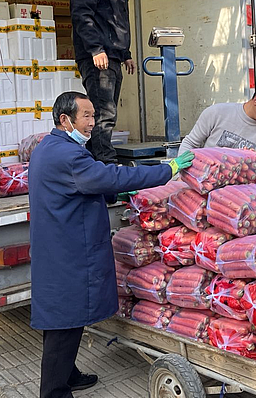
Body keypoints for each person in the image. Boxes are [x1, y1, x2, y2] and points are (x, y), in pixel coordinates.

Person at [28, 91, 194, 398]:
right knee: (64, 322)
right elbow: (112, 176)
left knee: (66, 318)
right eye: (86, 116)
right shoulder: (69, 156)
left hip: (57, 246)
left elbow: (83, 185)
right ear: (65, 119)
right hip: (69, 251)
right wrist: (167, 170)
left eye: (93, 115)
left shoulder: (49, 147)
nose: (93, 122)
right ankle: (54, 391)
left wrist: (111, 194)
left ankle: (68, 374)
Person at [70, 0, 134, 164]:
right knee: (102, 114)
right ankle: (105, 164)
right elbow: (82, 16)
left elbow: (116, 23)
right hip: (97, 57)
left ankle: (96, 162)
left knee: (107, 114)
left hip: (112, 57)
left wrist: (125, 54)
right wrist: (96, 49)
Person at [178, 81, 256, 157]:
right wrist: (182, 174)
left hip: (241, 185)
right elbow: (190, 143)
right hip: (204, 179)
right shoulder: (217, 113)